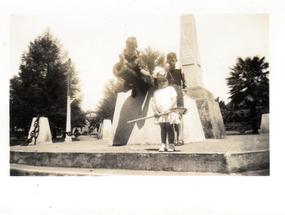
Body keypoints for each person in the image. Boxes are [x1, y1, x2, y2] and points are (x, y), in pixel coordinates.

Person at [151, 66, 180, 152]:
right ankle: (163, 143)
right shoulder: (156, 92)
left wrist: (169, 109)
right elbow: (153, 103)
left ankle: (171, 144)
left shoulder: (170, 89)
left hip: (169, 112)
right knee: (162, 128)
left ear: (168, 81)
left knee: (170, 127)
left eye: (164, 80)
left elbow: (174, 100)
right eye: (159, 81)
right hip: (160, 113)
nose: (162, 83)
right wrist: (156, 111)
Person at [166, 52, 187, 146]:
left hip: (178, 93)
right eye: (170, 60)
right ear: (167, 61)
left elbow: (185, 85)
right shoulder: (166, 72)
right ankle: (173, 139)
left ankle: (180, 138)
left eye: (173, 60)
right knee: (171, 116)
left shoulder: (180, 71)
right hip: (169, 94)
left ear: (176, 60)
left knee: (179, 116)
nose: (172, 62)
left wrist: (183, 92)